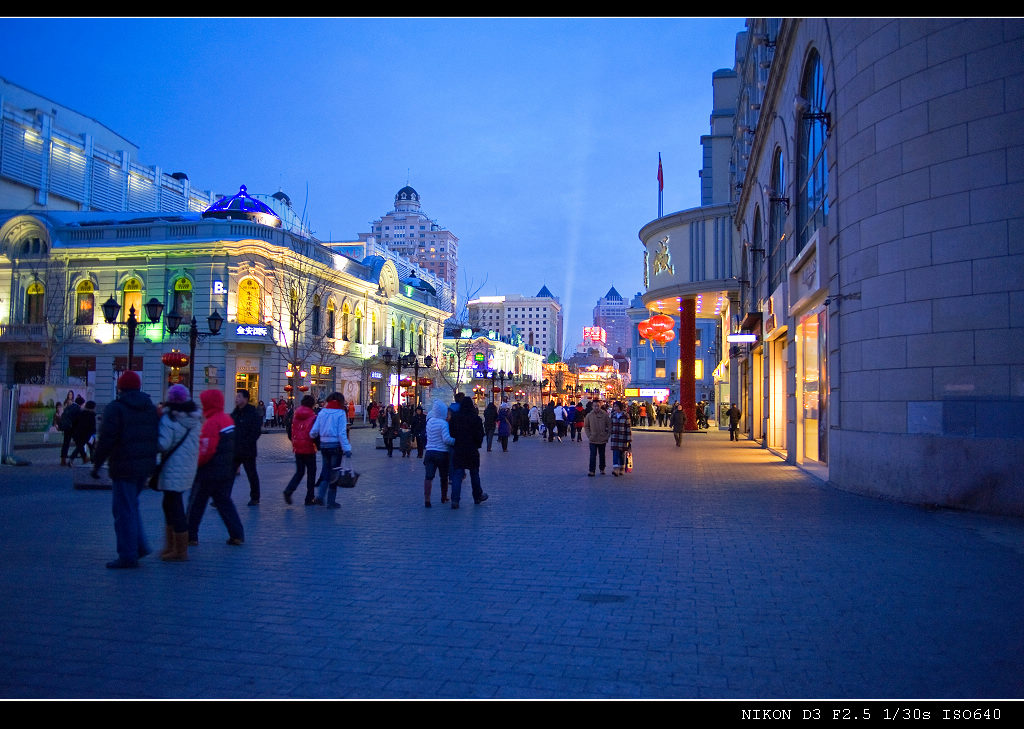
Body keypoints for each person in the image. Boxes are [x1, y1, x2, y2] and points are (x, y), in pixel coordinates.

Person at [90, 372, 160, 568]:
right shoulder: (150, 408)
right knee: (130, 507)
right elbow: (155, 436)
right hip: (143, 467)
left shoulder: (116, 408)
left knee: (123, 511)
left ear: (120, 387)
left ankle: (128, 554)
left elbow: (106, 440)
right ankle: (140, 546)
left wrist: (97, 464)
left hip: (123, 466)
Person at [188, 389, 245, 546]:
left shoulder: (211, 423)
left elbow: (206, 450)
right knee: (224, 503)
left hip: (208, 471)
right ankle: (237, 534)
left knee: (196, 503)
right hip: (225, 469)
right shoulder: (227, 419)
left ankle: (190, 535)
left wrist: (196, 464)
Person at [155, 384, 201, 562]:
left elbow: (163, 444)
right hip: (188, 467)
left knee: (173, 506)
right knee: (172, 504)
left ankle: (178, 549)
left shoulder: (170, 418)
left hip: (172, 467)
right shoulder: (195, 418)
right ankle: (173, 546)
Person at [309, 392, 351, 508]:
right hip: (336, 446)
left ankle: (320, 496)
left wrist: (312, 436)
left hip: (324, 445)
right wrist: (347, 448)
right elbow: (342, 433)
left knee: (326, 470)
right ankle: (331, 501)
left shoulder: (323, 412)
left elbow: (314, 430)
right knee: (334, 473)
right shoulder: (340, 413)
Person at [448, 397, 487, 509]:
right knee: (474, 473)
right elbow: (480, 435)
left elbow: (451, 433)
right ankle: (477, 496)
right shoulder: (476, 419)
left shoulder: (455, 418)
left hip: (459, 448)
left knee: (457, 474)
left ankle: (455, 500)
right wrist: (477, 444)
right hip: (472, 449)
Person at [283, 395, 319, 506]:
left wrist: (294, 441)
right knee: (311, 473)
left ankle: (289, 490)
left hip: (298, 447)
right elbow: (315, 433)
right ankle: (309, 498)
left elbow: (289, 430)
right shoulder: (313, 416)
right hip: (309, 447)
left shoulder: (295, 415)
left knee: (299, 472)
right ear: (312, 404)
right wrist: (318, 445)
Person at [231, 389, 262, 506]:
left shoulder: (252, 413)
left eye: (239, 396)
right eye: (236, 396)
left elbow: (256, 432)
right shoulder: (235, 412)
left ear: (245, 399)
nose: (236, 399)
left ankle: (255, 497)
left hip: (248, 450)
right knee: (229, 474)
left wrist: (246, 442)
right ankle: (222, 495)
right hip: (235, 449)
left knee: (251, 474)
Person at [422, 399, 455, 507]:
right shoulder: (443, 423)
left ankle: (427, 499)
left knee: (428, 477)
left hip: (429, 452)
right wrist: (455, 440)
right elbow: (446, 439)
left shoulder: (429, 422)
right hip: (442, 452)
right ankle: (443, 497)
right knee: (443, 477)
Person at [583, 398, 611, 477]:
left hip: (602, 438)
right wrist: (589, 436)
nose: (596, 407)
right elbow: (586, 427)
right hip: (593, 439)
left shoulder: (605, 414)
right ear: (592, 406)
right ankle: (592, 470)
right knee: (593, 455)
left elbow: (609, 425)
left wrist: (607, 435)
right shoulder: (589, 415)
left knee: (602, 455)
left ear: (600, 406)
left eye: (598, 406)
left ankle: (602, 469)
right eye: (595, 406)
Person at [68, 399, 97, 465]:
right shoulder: (92, 415)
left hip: (78, 433)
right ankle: (92, 460)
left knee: (79, 447)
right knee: (91, 447)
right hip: (87, 434)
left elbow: (75, 422)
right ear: (92, 407)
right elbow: (92, 426)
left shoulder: (81, 413)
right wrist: (93, 434)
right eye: (94, 407)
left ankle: (73, 459)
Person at [609, 400, 632, 476]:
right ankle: (615, 469)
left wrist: (629, 440)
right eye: (614, 406)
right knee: (615, 453)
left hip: (623, 438)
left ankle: (622, 468)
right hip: (615, 437)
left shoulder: (625, 415)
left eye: (617, 406)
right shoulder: (613, 415)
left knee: (621, 454)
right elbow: (610, 425)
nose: (615, 408)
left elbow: (628, 428)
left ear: (620, 407)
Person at [59, 395, 83, 467]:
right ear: (81, 403)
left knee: (66, 443)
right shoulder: (78, 408)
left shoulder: (69, 407)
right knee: (79, 443)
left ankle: (63, 460)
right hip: (72, 428)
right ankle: (84, 457)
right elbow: (78, 420)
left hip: (66, 427)